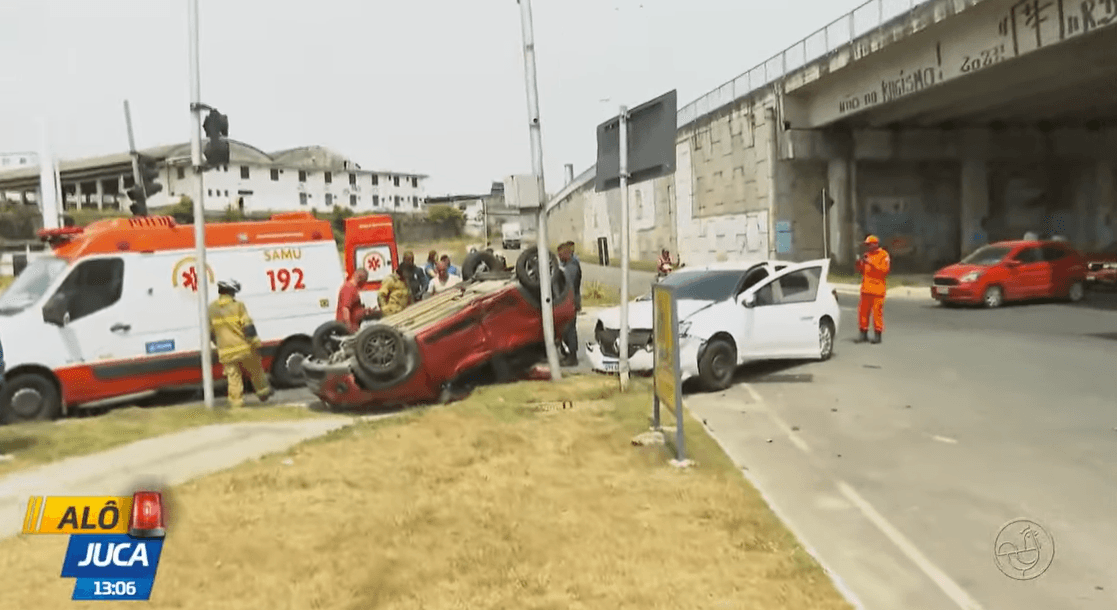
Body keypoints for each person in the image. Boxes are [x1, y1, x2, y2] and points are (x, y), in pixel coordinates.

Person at [209, 279, 273, 409]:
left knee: (233, 378)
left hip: (225, 351)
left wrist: (219, 345)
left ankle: (237, 403)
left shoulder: (211, 308)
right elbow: (248, 326)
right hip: (243, 348)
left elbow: (210, 332)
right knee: (256, 369)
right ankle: (263, 392)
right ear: (230, 292)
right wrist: (255, 342)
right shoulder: (238, 306)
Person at [855, 235, 891, 344]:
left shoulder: (883, 255)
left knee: (877, 314)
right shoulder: (867, 255)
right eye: (867, 245)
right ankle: (863, 333)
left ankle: (877, 335)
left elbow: (884, 270)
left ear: (875, 244)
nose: (868, 247)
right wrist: (859, 263)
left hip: (878, 290)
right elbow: (861, 270)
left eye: (870, 244)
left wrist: (871, 263)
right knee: (863, 313)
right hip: (866, 289)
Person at [558, 241, 582, 366]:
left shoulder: (572, 267)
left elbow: (568, 284)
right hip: (567, 301)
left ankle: (572, 357)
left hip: (571, 301)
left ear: (567, 253)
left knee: (570, 329)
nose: (559, 256)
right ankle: (567, 353)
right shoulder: (566, 264)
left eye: (561, 254)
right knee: (565, 329)